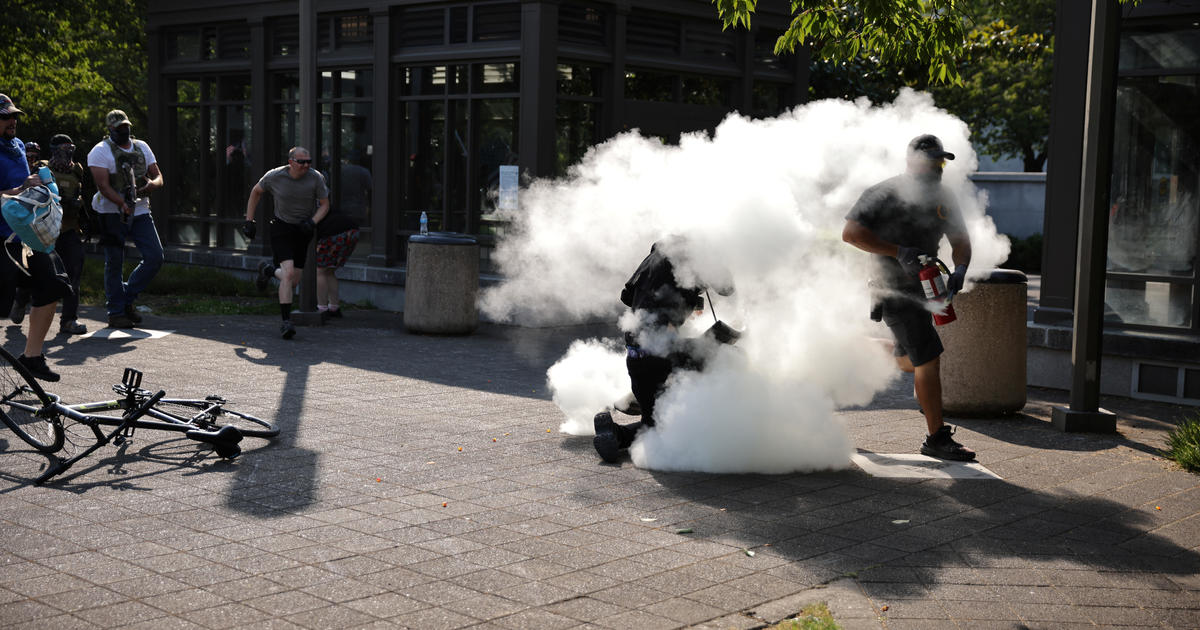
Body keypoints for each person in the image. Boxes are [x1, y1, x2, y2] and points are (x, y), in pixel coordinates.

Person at [842, 133, 975, 461]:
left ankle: (857, 349)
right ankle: (936, 438)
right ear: (911, 161)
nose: (936, 167)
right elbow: (851, 234)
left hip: (926, 286)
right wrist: (897, 251)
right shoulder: (882, 193)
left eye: (940, 161)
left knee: (910, 361)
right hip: (891, 288)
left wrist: (959, 269)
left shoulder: (944, 196)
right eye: (930, 160)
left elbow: (961, 240)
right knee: (929, 357)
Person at [593, 237, 737, 464]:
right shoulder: (698, 255)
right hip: (662, 358)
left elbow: (628, 297)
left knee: (654, 426)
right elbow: (726, 287)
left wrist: (686, 299)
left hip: (636, 356)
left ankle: (615, 434)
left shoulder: (654, 258)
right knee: (722, 352)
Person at [0, 94, 67, 381]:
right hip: (1, 241)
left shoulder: (15, 146)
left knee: (53, 286)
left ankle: (32, 357)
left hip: (24, 237)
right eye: (5, 117)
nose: (12, 120)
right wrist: (19, 189)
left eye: (14, 115)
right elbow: (12, 191)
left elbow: (23, 193)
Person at [87, 109, 164, 329]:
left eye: (126, 126)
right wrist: (121, 204)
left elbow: (158, 176)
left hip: (139, 210)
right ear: (110, 129)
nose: (124, 130)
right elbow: (102, 185)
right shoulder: (100, 151)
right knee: (114, 261)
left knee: (155, 257)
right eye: (119, 128)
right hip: (110, 212)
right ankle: (116, 312)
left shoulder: (142, 147)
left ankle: (127, 297)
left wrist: (153, 185)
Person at [241, 147, 330, 339]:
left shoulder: (316, 178)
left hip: (303, 229)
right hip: (281, 227)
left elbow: (325, 204)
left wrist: (313, 222)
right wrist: (249, 221)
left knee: (293, 280)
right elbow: (256, 192)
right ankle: (286, 322)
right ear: (291, 162)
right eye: (302, 162)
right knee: (288, 274)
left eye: (309, 161)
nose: (306, 165)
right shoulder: (275, 176)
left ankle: (267, 270)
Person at [11, 134, 90, 335]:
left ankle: (69, 320)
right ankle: (22, 298)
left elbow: (80, 196)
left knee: (73, 272)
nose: (68, 153)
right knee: (37, 274)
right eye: (64, 149)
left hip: (69, 228)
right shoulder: (42, 170)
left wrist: (84, 217)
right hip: (44, 231)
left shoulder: (76, 171)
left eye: (70, 148)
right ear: (54, 150)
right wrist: (58, 200)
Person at [314, 209, 359, 319]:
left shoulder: (301, 207)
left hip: (334, 233)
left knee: (319, 271)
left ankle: (322, 309)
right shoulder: (319, 199)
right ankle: (334, 308)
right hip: (353, 231)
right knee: (329, 270)